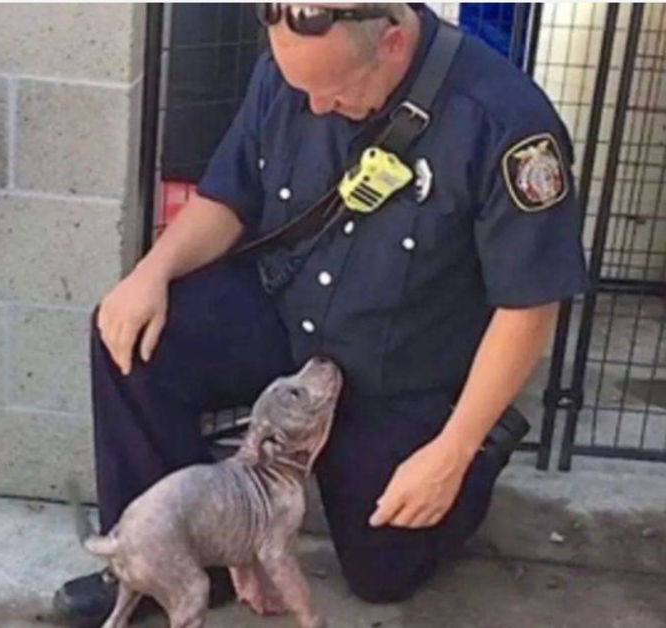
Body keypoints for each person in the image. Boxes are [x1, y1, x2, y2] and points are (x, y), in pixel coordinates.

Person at [53, 2, 588, 624]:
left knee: (383, 573)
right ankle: (165, 560)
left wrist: (453, 450)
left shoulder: (505, 123)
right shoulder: (290, 72)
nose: (311, 108)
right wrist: (151, 273)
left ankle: (473, 462)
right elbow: (228, 196)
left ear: (391, 43)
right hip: (286, 315)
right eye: (297, 87)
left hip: (395, 366)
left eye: (332, 91)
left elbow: (528, 304)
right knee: (132, 336)